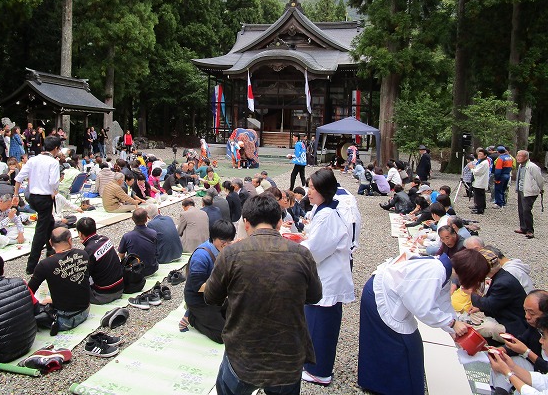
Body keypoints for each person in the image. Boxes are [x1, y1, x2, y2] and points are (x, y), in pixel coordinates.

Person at [204, 194, 322, 395]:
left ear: (246, 222)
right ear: (279, 223)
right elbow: (315, 296)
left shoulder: (231, 254)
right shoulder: (301, 254)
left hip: (243, 353)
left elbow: (211, 297)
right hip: (288, 354)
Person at [358, 249, 490, 395]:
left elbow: (442, 302)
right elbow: (423, 308)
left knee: (394, 344)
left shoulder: (444, 269)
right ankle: (389, 387)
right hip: (380, 296)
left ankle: (379, 383)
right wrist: (452, 323)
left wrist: (455, 329)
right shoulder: (435, 271)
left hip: (388, 293)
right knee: (403, 345)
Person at [300, 169, 355, 386]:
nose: (309, 191)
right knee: (315, 323)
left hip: (327, 279)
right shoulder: (323, 210)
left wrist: (295, 245)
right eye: (309, 186)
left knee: (320, 326)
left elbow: (314, 251)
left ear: (324, 190)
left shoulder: (328, 216)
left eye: (313, 188)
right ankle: (313, 365)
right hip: (325, 276)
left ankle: (319, 371)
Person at [181, 219, 235, 343]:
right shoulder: (201, 256)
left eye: (229, 241)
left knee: (235, 322)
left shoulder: (222, 248)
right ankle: (193, 318)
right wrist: (222, 286)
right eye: (223, 241)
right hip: (198, 299)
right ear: (214, 238)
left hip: (214, 297)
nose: (226, 244)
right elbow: (197, 286)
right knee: (223, 336)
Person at [14, 135, 61, 275]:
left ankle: (51, 250)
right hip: (44, 197)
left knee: (49, 222)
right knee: (41, 230)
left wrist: (16, 194)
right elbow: (53, 182)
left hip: (32, 197)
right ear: (56, 148)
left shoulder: (33, 160)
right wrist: (54, 191)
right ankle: (31, 265)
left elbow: (19, 178)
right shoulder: (53, 162)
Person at [27, 228, 90, 331]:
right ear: (70, 240)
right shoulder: (83, 254)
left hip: (65, 319)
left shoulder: (45, 264)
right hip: (85, 310)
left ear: (50, 242)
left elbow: (29, 291)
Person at [488, 290, 548, 394]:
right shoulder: (535, 326)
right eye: (525, 311)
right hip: (537, 371)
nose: (527, 316)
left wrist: (527, 353)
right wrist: (501, 351)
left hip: (538, 369)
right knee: (503, 362)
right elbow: (544, 381)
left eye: (532, 313)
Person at [470, 248, 528, 338]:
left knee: (478, 328)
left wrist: (472, 293)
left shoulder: (502, 283)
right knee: (473, 316)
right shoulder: (501, 276)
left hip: (515, 326)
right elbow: (494, 302)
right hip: (506, 316)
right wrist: (479, 308)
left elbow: (489, 305)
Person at [76, 217, 125, 304]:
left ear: (80, 233)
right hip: (120, 286)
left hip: (104, 294)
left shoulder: (89, 250)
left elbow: (84, 276)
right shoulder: (105, 239)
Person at [118, 208, 159, 277]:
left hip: (135, 271)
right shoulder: (153, 233)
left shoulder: (127, 236)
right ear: (146, 219)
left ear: (132, 219)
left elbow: (121, 255)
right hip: (152, 269)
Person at [515, 150, 544, 239]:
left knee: (526, 210)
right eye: (517, 156)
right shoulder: (521, 166)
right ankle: (523, 227)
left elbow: (539, 179)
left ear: (526, 157)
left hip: (529, 191)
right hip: (521, 189)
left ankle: (530, 230)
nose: (518, 158)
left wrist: (541, 188)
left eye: (520, 156)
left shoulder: (532, 167)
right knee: (521, 209)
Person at [470, 147, 491, 215]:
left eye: (481, 154)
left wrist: (472, 168)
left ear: (485, 155)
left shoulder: (484, 163)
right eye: (479, 154)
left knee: (479, 195)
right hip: (479, 181)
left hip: (480, 181)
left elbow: (477, 172)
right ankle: (479, 207)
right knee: (480, 195)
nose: (479, 156)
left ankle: (480, 209)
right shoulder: (482, 162)